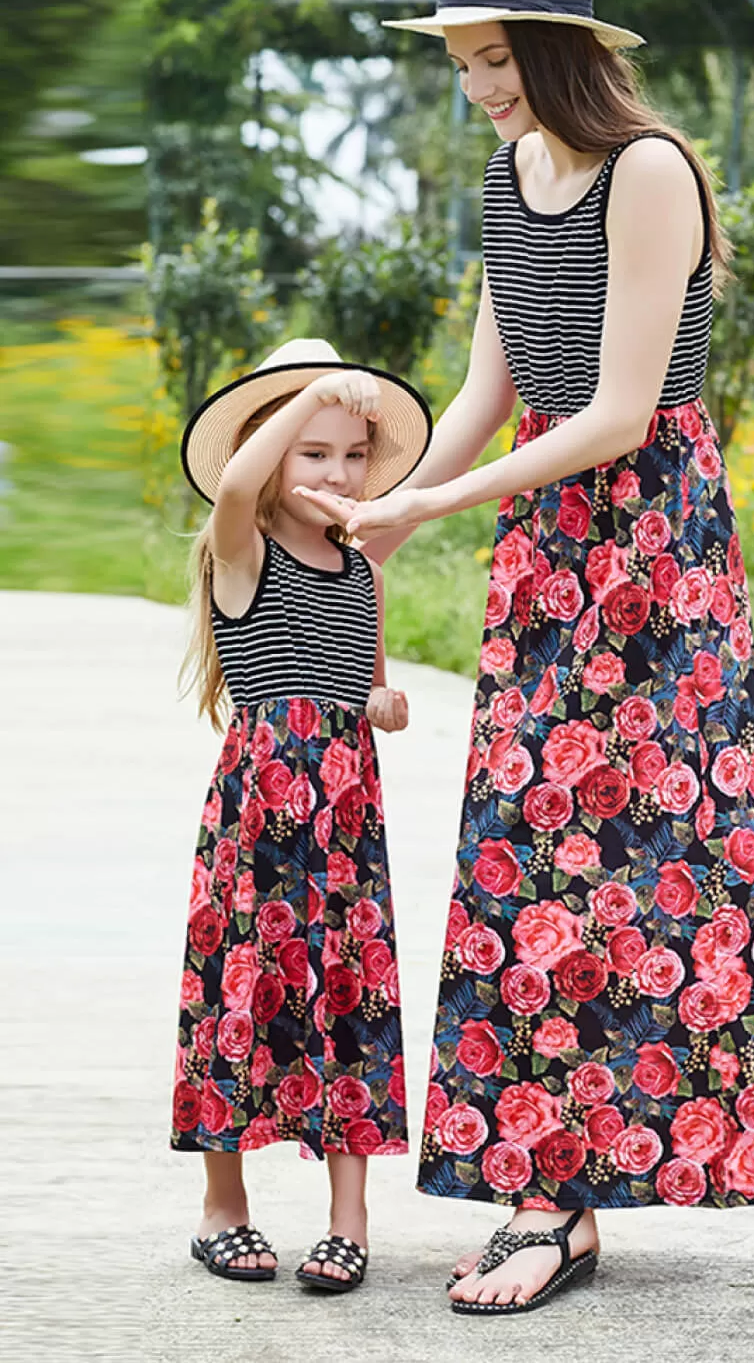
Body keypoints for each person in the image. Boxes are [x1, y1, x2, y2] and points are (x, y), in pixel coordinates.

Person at [305, 0, 754, 1317]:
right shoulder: (508, 175)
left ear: (566, 50)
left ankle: (566, 1198)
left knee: (638, 859)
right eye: (463, 63)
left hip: (652, 542)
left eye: (497, 59)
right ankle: (543, 1187)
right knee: (528, 849)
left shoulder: (648, 171)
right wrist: (382, 503)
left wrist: (438, 508)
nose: (478, 88)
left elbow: (624, 414)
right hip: (545, 543)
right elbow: (486, 385)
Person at [170, 338, 432, 1292]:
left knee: (349, 991)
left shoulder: (361, 569)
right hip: (259, 816)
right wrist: (316, 391)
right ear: (270, 449)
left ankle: (348, 1219)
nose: (337, 470)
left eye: (353, 454)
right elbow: (234, 487)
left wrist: (383, 705)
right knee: (241, 993)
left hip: (344, 817)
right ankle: (222, 1208)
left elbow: (363, 684)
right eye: (313, 450)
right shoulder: (241, 549)